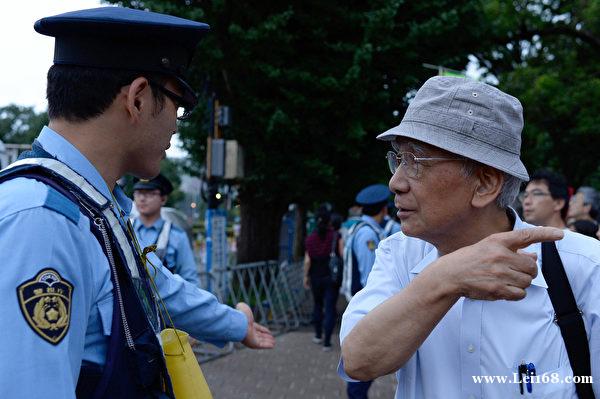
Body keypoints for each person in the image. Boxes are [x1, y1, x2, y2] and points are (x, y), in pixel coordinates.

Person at [0, 7, 274, 398]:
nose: (176, 125)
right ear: (139, 99)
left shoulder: (91, 206)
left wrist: (237, 325)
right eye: (178, 107)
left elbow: (158, 287)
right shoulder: (43, 220)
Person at [339, 76, 600, 398]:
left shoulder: (585, 267)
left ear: (485, 183)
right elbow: (359, 361)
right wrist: (444, 278)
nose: (396, 182)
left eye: (415, 161)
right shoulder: (398, 255)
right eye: (397, 159)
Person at [341, 183, 390, 399]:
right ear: (384, 210)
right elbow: (370, 279)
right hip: (365, 309)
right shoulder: (368, 235)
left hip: (355, 302)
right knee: (363, 368)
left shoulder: (358, 229)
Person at [132, 174, 199, 285]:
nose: (142, 198)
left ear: (163, 199)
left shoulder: (177, 236)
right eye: (138, 193)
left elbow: (190, 281)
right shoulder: (124, 228)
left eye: (150, 193)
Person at [303, 205, 342, 351]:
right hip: (331, 278)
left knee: (317, 305)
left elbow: (307, 261)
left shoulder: (310, 238)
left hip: (315, 276)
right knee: (330, 307)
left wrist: (306, 276)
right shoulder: (335, 236)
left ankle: (318, 335)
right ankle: (327, 342)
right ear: (329, 221)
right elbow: (341, 255)